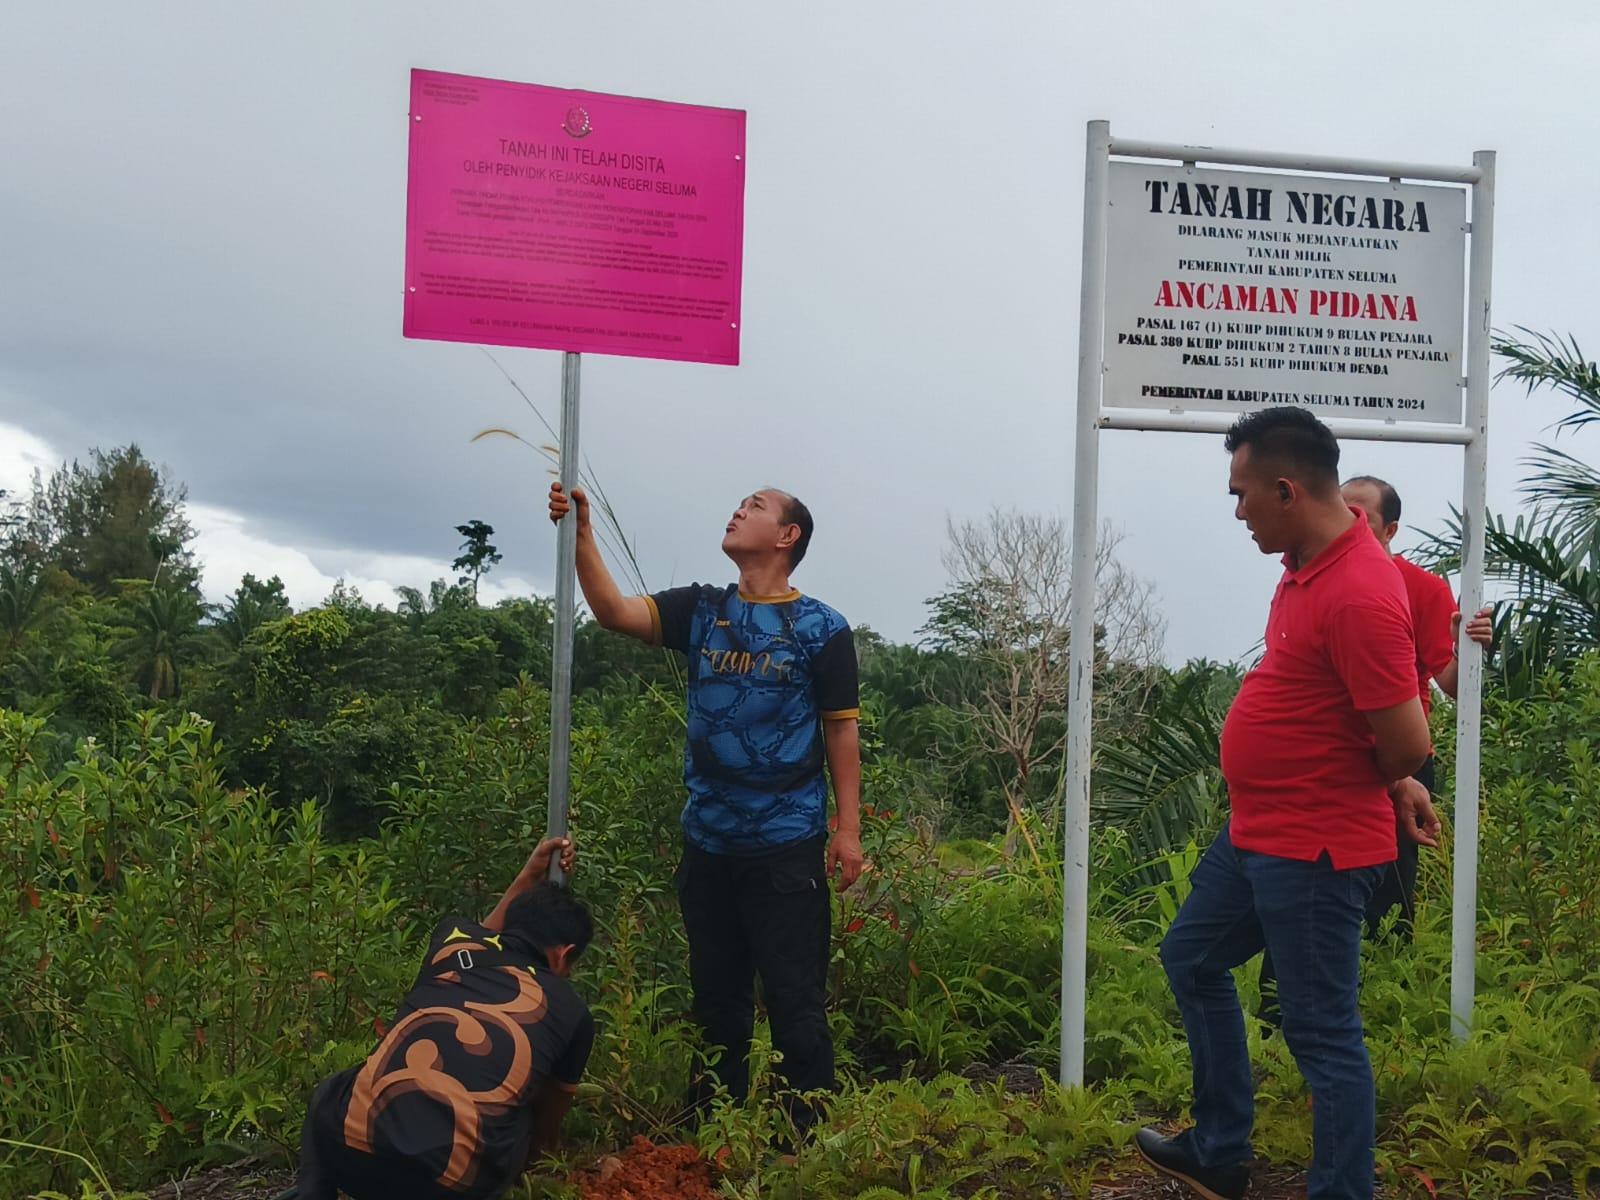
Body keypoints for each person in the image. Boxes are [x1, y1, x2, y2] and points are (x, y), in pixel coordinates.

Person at [1136, 407, 1437, 1200]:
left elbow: (1407, 741)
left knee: (1322, 1034)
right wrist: (1390, 776)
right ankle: (1219, 1149)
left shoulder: (1361, 593)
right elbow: (1349, 712)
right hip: (1260, 832)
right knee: (1192, 959)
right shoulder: (1307, 561)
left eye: (1241, 495)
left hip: (1315, 848)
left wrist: (1393, 776)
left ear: (1286, 488)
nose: (1237, 513)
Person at [548, 482, 863, 1130]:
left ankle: (804, 1147)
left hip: (786, 846)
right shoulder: (702, 610)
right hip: (710, 845)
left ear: (787, 537)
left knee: (794, 1001)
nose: (738, 508)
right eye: (739, 502)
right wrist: (581, 532)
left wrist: (848, 829)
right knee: (716, 1005)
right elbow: (611, 611)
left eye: (756, 505)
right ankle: (711, 1137)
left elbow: (840, 728)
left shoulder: (823, 628)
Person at [1255, 476, 1494, 1026]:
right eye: (1342, 506)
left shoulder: (1422, 588)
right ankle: (1276, 1020)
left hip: (1398, 760)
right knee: (1297, 881)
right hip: (1321, 757)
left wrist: (1469, 647)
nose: (1348, 519)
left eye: (1360, 512)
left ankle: (1385, 1014)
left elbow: (1451, 684)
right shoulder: (1303, 573)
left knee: (1388, 888)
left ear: (1389, 528)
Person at [290, 837, 594, 1200]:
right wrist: (545, 1171)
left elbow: (483, 935)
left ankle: (311, 1192)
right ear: (565, 954)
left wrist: (529, 874)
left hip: (350, 1158)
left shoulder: (452, 942)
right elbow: (548, 1123)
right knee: (523, 1117)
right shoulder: (574, 1013)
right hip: (449, 1185)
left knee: (332, 1089)